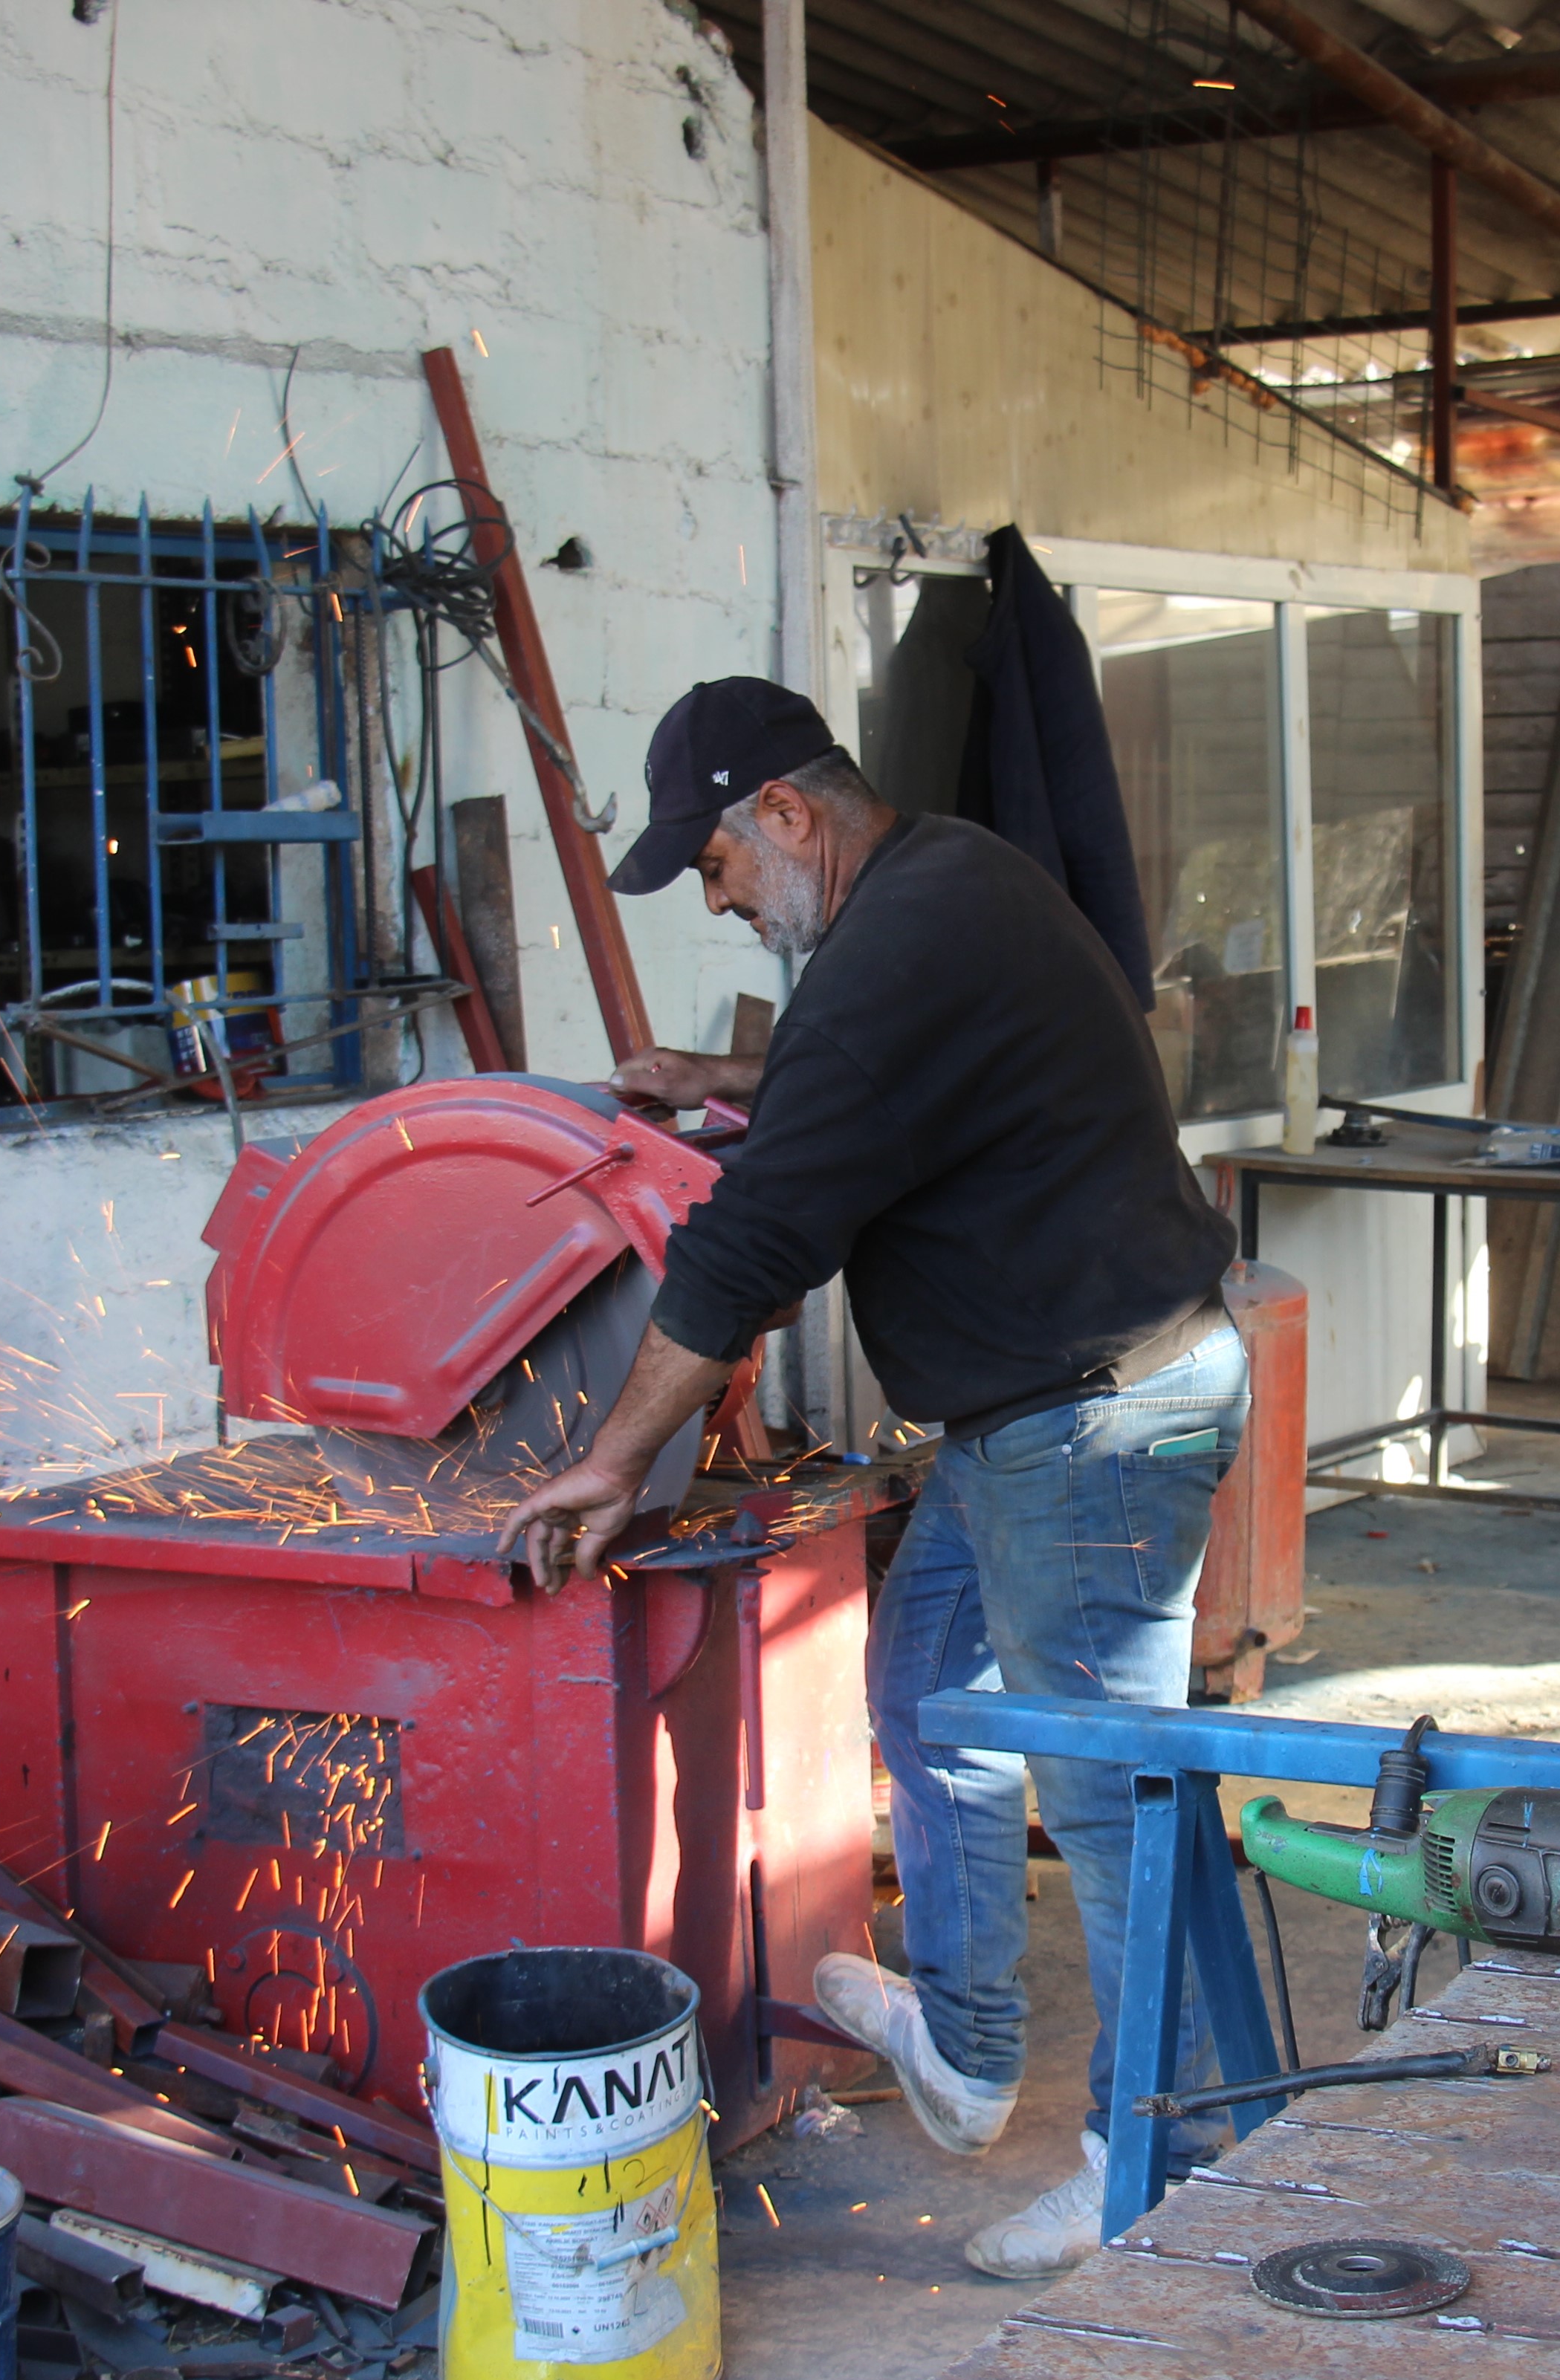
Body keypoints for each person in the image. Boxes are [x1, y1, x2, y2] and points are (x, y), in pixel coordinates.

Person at [496, 676, 1246, 2280]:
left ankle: (1162, 2167)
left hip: (1094, 1425)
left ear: (789, 813)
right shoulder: (942, 887)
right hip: (1031, 1415)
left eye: (712, 864)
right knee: (929, 1701)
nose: (717, 897)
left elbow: (754, 1249)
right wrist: (738, 1080)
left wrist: (613, 1466)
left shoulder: (898, 944)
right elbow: (901, 1098)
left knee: (1112, 1804)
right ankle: (971, 2056)